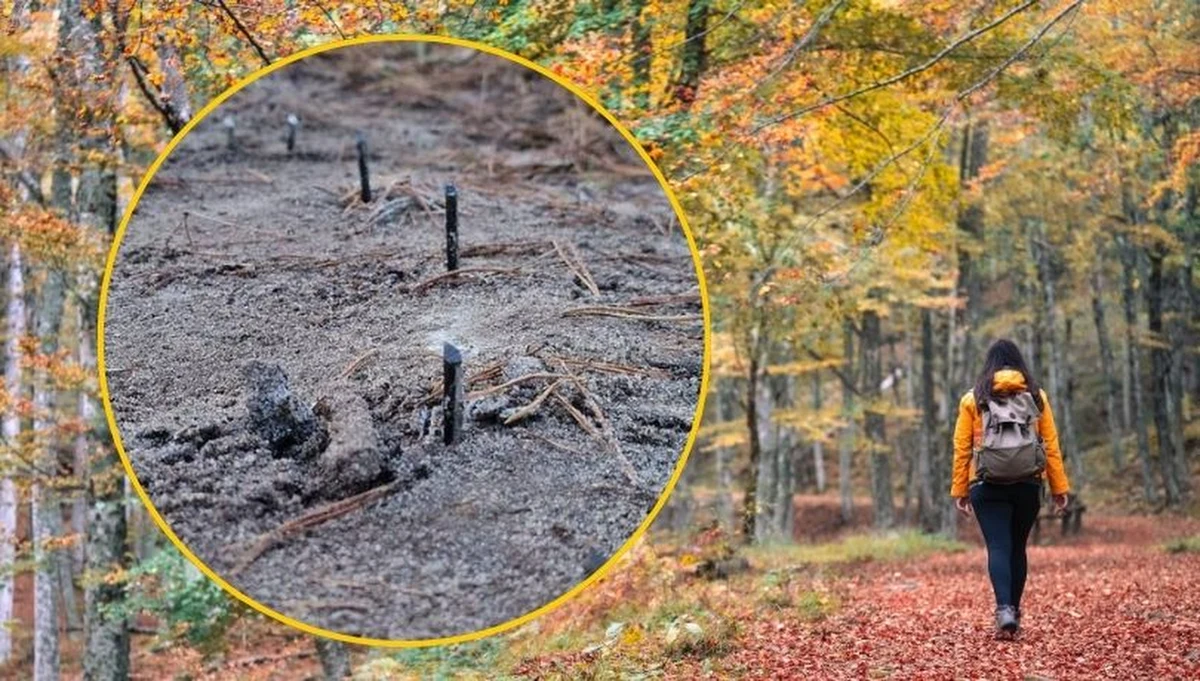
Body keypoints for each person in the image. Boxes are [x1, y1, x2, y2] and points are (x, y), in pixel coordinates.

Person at [950, 339, 1069, 638]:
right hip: (1028, 484)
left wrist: (960, 489)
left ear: (989, 365)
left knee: (999, 547)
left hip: (986, 484)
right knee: (1018, 547)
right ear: (1019, 363)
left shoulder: (973, 398)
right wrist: (1058, 486)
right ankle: (1013, 613)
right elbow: (1050, 445)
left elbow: (962, 449)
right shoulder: (1036, 396)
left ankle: (1004, 610)